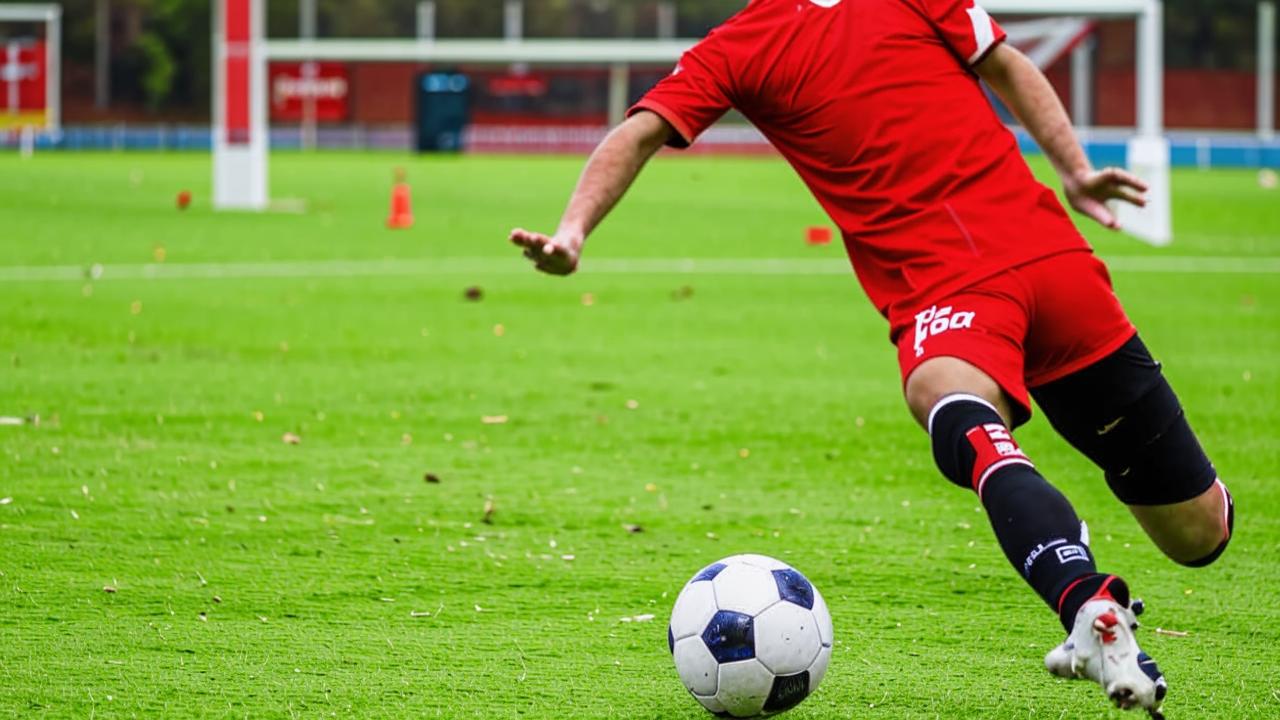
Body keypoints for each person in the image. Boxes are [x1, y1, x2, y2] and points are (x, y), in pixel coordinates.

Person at [509, 1, 1233, 716]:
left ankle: (1082, 601)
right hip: (1058, 266)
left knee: (969, 419)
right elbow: (1007, 62)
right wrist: (1073, 169)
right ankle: (1083, 597)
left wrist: (573, 232)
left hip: (950, 289)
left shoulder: (737, 45)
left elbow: (635, 134)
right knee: (1200, 534)